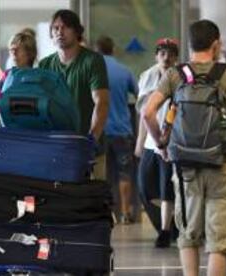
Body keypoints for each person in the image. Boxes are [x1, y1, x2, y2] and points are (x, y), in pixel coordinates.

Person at [144, 20, 226, 276]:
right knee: (220, 238)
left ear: (190, 45)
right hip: (222, 163)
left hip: (185, 167)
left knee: (188, 233)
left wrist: (162, 144)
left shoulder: (175, 74)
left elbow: (147, 113)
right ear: (216, 45)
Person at [39, 9, 109, 180]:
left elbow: (101, 102)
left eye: (65, 27)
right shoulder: (45, 65)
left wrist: (91, 140)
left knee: (92, 200)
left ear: (77, 31)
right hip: (56, 148)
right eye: (55, 28)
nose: (59, 32)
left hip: (88, 148)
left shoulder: (92, 61)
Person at [135, 38, 179, 247]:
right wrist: (140, 141)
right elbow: (144, 113)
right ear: (156, 56)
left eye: (170, 53)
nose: (166, 57)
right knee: (144, 186)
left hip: (170, 141)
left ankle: (165, 230)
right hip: (151, 143)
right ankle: (169, 224)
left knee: (166, 189)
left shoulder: (181, 77)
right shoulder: (147, 76)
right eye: (162, 53)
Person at [95, 35, 138, 224]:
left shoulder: (93, 71)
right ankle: (126, 213)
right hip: (122, 130)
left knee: (102, 175)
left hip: (100, 130)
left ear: (96, 51)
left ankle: (105, 212)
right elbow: (139, 94)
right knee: (124, 173)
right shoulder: (124, 71)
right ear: (112, 49)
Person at [0, 31, 38, 123]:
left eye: (18, 49)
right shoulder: (6, 76)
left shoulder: (39, 77)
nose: (14, 52)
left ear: (29, 52)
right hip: (9, 129)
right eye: (11, 49)